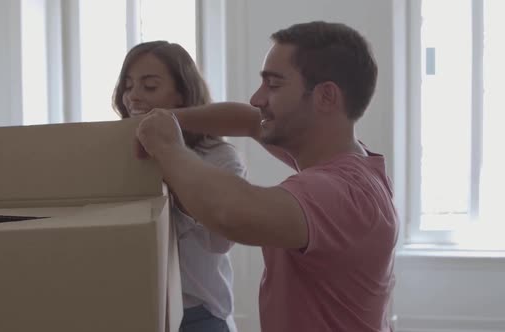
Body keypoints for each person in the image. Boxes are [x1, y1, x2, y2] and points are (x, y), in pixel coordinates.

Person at [135, 22, 399, 332]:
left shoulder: (341, 192)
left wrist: (168, 147)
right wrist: (169, 119)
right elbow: (248, 121)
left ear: (326, 97)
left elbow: (229, 213)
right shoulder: (353, 163)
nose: (257, 98)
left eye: (273, 85)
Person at [112, 40, 245, 332]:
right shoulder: (116, 154)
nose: (133, 97)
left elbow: (219, 241)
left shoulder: (220, 158)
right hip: (131, 306)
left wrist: (171, 162)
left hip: (198, 313)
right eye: (128, 85)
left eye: (149, 86)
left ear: (182, 97)